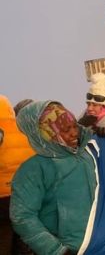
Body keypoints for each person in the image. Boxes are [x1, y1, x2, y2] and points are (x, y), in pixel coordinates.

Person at [10, 100, 98, 255]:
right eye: (65, 130)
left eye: (74, 126)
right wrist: (57, 251)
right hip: (69, 249)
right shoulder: (34, 169)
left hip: (102, 244)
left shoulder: (88, 154)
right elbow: (22, 216)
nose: (74, 133)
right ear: (47, 134)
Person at [0, 96, 35, 255]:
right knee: (24, 242)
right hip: (25, 197)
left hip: (2, 200)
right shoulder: (25, 132)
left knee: (4, 241)